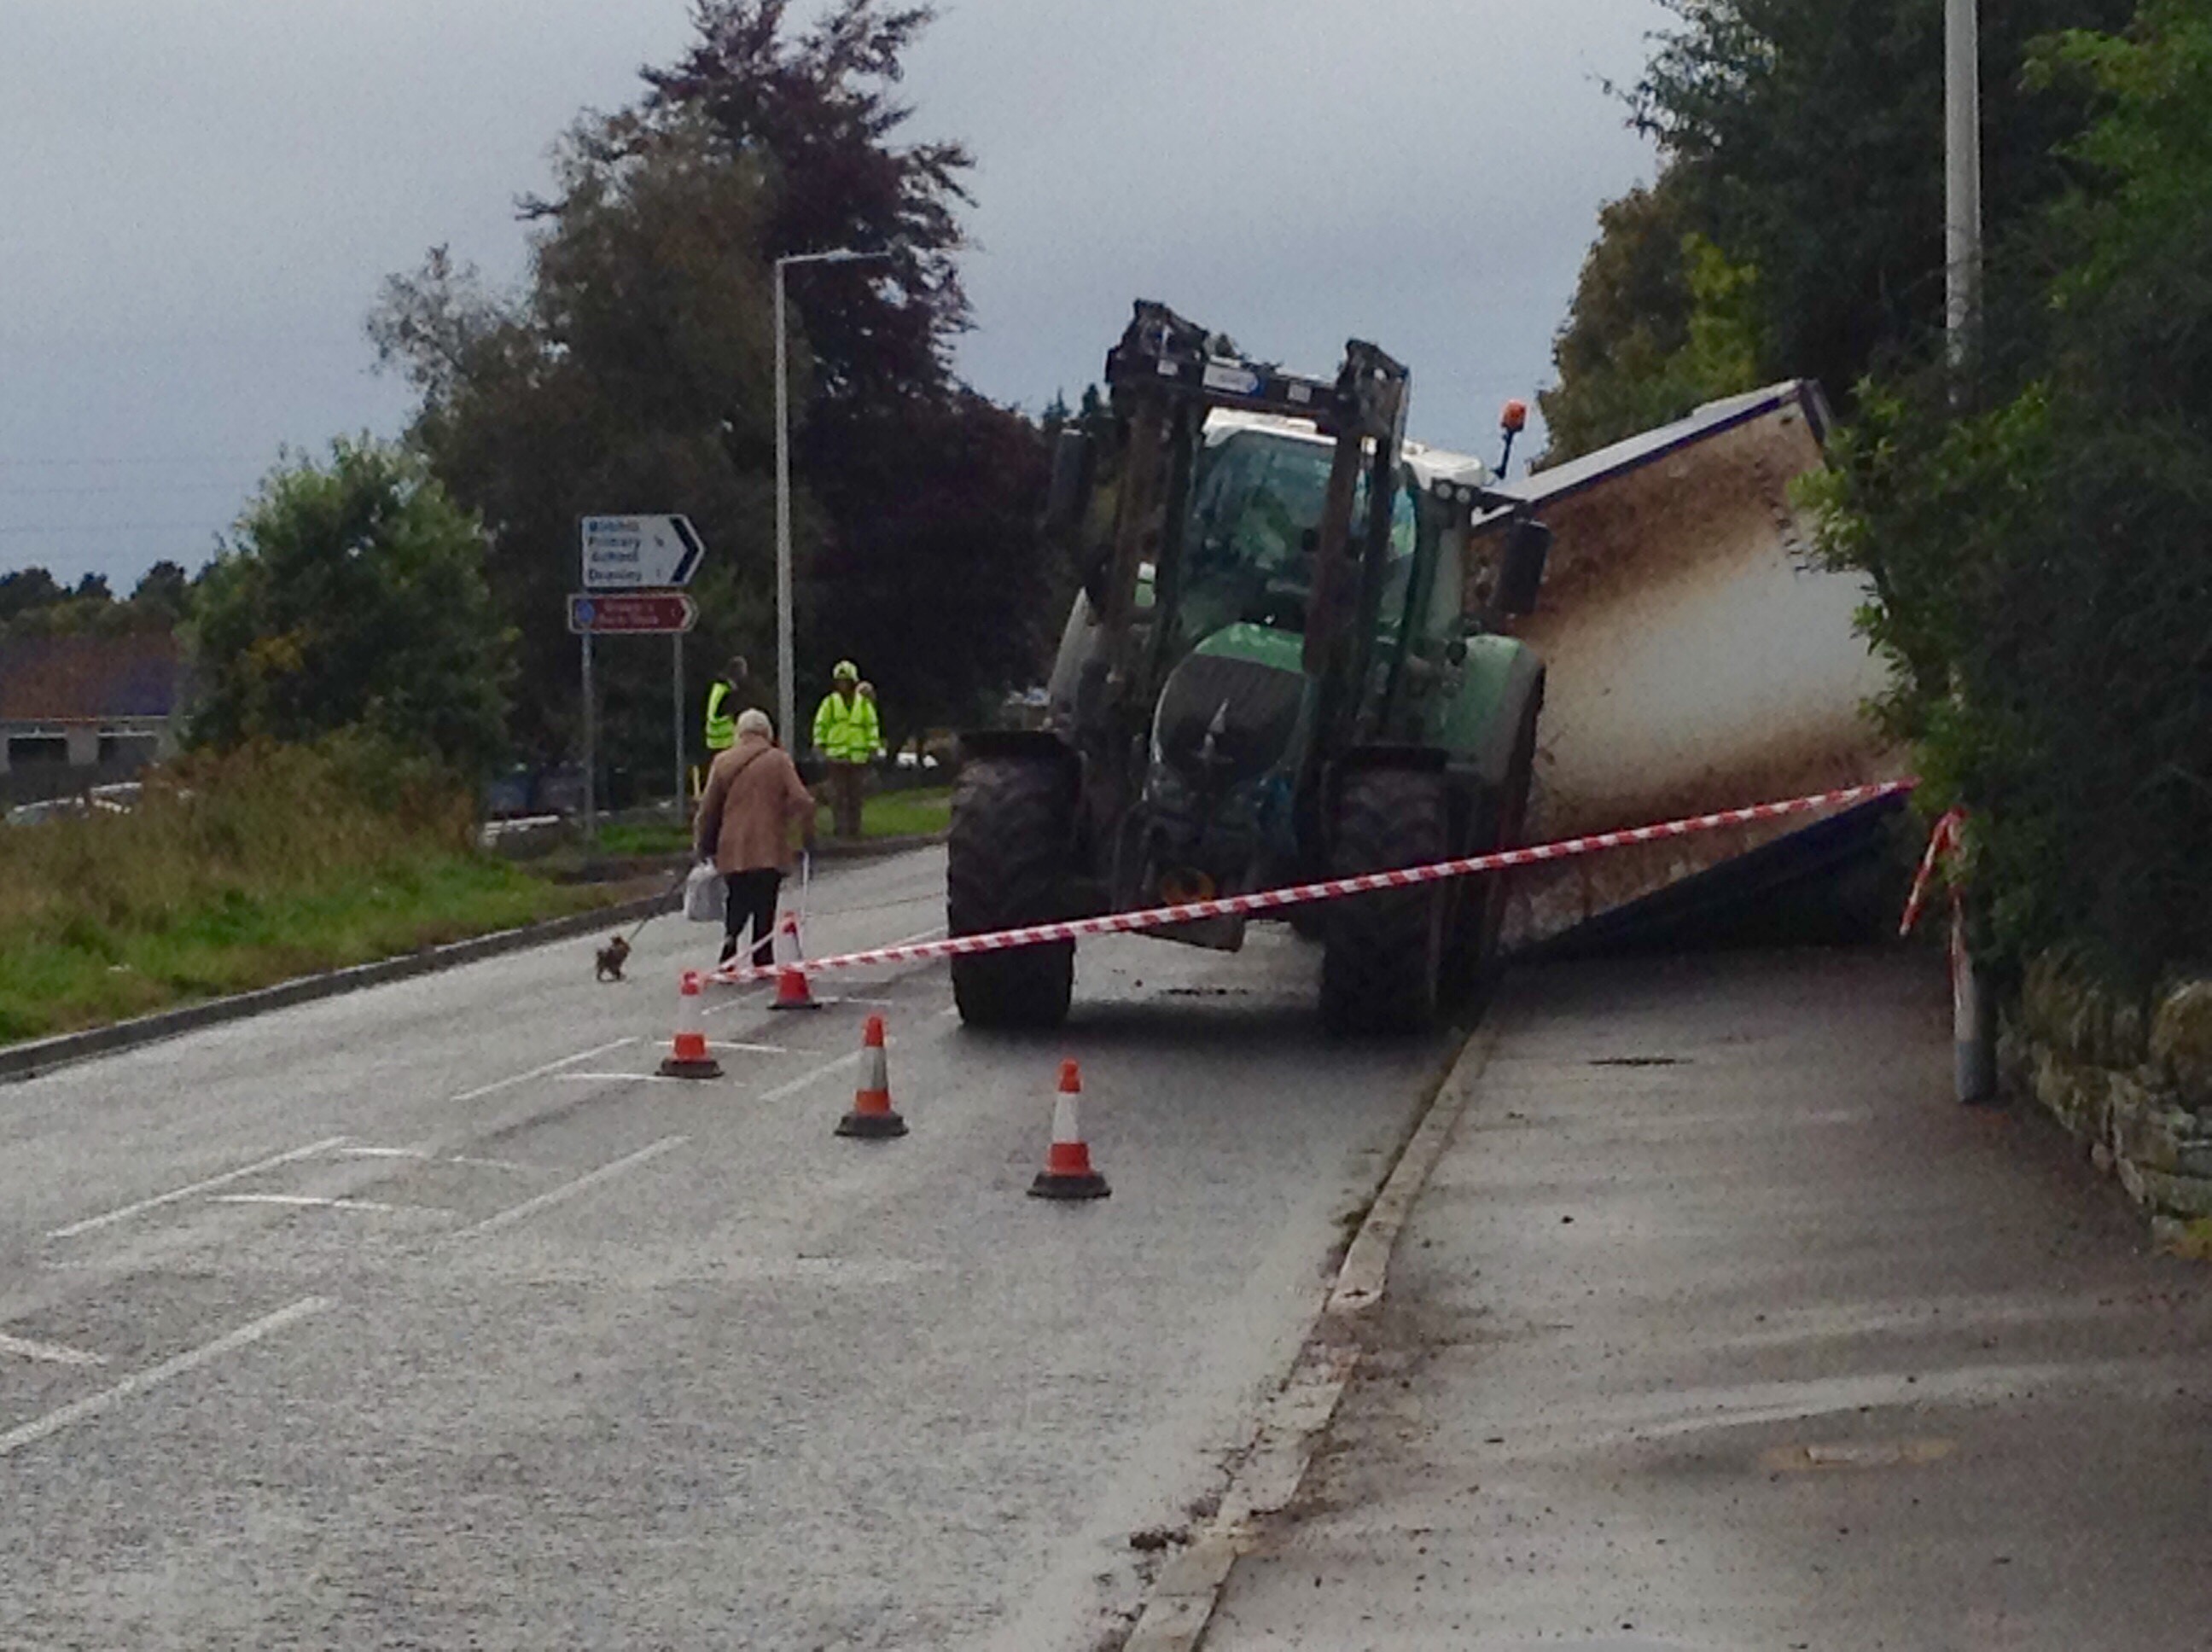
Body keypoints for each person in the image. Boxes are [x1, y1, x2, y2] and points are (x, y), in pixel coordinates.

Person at [692, 707, 816, 968]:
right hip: (770, 845)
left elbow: (708, 809)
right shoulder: (779, 760)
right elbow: (801, 799)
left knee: (737, 894)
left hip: (733, 845)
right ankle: (763, 951)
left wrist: (701, 844)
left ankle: (730, 940)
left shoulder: (723, 762)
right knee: (765, 899)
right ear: (767, 732)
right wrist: (802, 829)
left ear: (740, 733)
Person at [811, 659, 882, 839]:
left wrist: (873, 748)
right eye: (839, 681)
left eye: (846, 680)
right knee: (838, 796)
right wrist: (820, 745)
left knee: (855, 797)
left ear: (853, 682)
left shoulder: (864, 704)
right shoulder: (830, 703)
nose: (842, 684)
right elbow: (821, 725)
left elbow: (871, 727)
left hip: (858, 759)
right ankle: (840, 829)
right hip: (836, 758)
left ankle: (854, 830)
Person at [702, 655, 750, 757]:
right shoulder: (726, 691)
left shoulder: (718, 688)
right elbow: (728, 711)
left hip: (716, 742)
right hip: (725, 741)